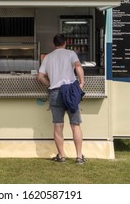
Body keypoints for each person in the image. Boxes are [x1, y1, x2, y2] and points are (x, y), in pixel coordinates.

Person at [38, 33, 87, 164]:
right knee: (75, 125)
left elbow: (40, 76)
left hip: (55, 92)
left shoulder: (47, 57)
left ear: (54, 44)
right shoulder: (71, 53)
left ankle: (61, 155)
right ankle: (79, 157)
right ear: (65, 43)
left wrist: (50, 84)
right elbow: (78, 66)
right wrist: (81, 83)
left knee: (58, 126)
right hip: (70, 91)